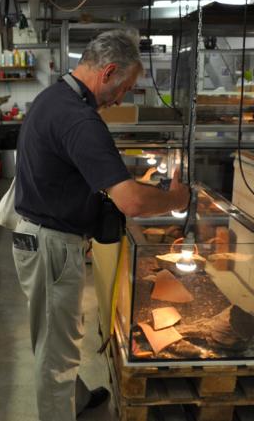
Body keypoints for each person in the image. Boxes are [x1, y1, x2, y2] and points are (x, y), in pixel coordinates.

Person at [11, 29, 190, 421]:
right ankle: (61, 408)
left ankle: (76, 398)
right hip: (51, 245)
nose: (120, 99)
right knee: (55, 355)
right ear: (108, 71)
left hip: (44, 237)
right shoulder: (79, 119)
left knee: (57, 334)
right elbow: (133, 201)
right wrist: (176, 199)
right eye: (123, 88)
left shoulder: (54, 97)